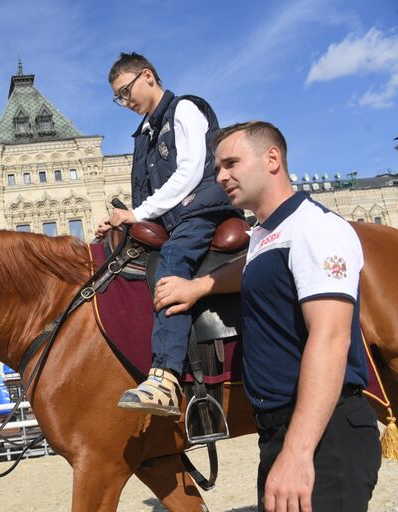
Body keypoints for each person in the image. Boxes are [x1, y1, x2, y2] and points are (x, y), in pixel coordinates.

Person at [153, 121, 381, 511]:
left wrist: (297, 453)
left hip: (323, 433)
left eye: (231, 163)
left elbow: (331, 339)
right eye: (217, 167)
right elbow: (245, 270)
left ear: (272, 158)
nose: (221, 176)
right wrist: (199, 286)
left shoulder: (316, 228)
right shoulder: (265, 235)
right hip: (281, 433)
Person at [96, 52, 240, 415]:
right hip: (172, 217)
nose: (125, 102)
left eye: (126, 91)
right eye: (119, 97)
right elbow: (143, 197)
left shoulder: (185, 109)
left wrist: (137, 213)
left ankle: (164, 376)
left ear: (148, 76)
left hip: (203, 208)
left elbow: (191, 171)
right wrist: (121, 222)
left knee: (173, 259)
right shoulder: (143, 134)